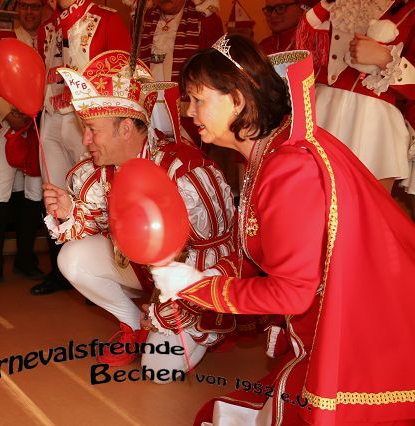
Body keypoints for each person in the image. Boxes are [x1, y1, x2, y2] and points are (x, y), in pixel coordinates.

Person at [150, 34, 415, 424]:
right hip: (344, 319)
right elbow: (262, 256)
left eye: (198, 99)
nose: (190, 112)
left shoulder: (288, 169)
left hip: (368, 337)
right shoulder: (270, 152)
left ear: (238, 100)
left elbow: (291, 293)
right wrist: (198, 276)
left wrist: (197, 286)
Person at [42, 51, 238, 372]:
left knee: (158, 370)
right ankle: (133, 323)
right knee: (72, 258)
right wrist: (69, 211)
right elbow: (97, 221)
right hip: (145, 272)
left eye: (92, 129)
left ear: (125, 130)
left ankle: (196, 331)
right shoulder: (102, 169)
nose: (86, 140)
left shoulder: (182, 171)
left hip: (193, 283)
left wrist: (168, 310)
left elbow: (213, 252)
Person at [32, 0, 132, 295]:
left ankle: (98, 272)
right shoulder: (47, 28)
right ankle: (59, 272)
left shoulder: (107, 20)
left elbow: (124, 77)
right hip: (51, 115)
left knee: (92, 189)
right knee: (53, 191)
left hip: (87, 121)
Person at [297, 0, 415, 193]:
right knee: (306, 200)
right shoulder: (327, 4)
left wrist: (384, 59)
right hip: (320, 111)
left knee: (368, 206)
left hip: (374, 124)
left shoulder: (409, 9)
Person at [0, 0, 47, 290]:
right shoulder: (1, 38)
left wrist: (35, 115)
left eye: (35, 7)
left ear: (43, 10)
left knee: (34, 193)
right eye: (24, 6)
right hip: (6, 125)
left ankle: (25, 259)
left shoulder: (51, 36)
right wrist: (7, 114)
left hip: (40, 127)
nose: (29, 12)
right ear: (18, 10)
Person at [138, 0, 223, 145]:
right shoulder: (143, 19)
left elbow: (217, 73)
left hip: (189, 118)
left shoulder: (205, 19)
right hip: (150, 115)